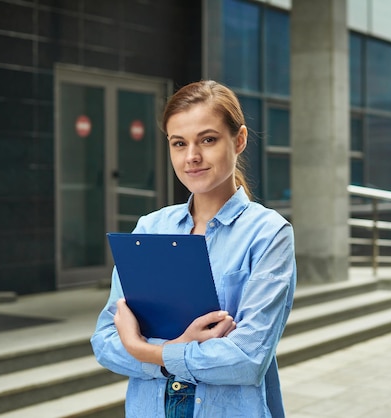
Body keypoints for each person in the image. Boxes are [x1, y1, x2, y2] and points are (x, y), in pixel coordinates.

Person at [91, 80, 297, 418]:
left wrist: (145, 349)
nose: (192, 157)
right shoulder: (151, 229)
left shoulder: (268, 234)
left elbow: (246, 360)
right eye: (178, 143)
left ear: (239, 140)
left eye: (208, 140)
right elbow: (104, 342)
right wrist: (179, 350)